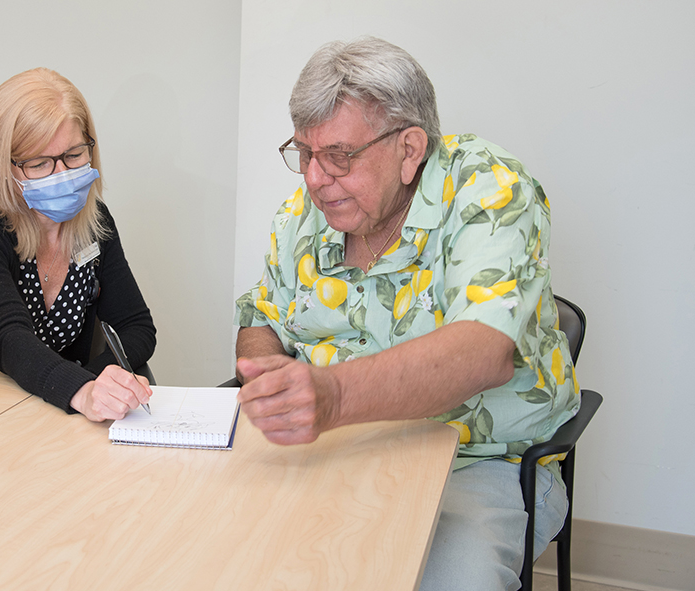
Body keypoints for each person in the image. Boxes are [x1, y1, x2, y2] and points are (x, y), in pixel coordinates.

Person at [233, 37, 579, 590]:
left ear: (410, 148)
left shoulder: (487, 188)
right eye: (304, 153)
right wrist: (266, 373)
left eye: (339, 156)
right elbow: (260, 316)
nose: (315, 179)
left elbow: (483, 350)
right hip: (334, 451)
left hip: (476, 462)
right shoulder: (302, 216)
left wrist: (333, 395)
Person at [0, 68, 156, 422]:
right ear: (1, 166)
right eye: (38, 163)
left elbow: (136, 328)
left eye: (73, 155)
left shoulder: (94, 223)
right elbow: (10, 341)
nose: (62, 174)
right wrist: (83, 390)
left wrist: (100, 382)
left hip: (58, 410)